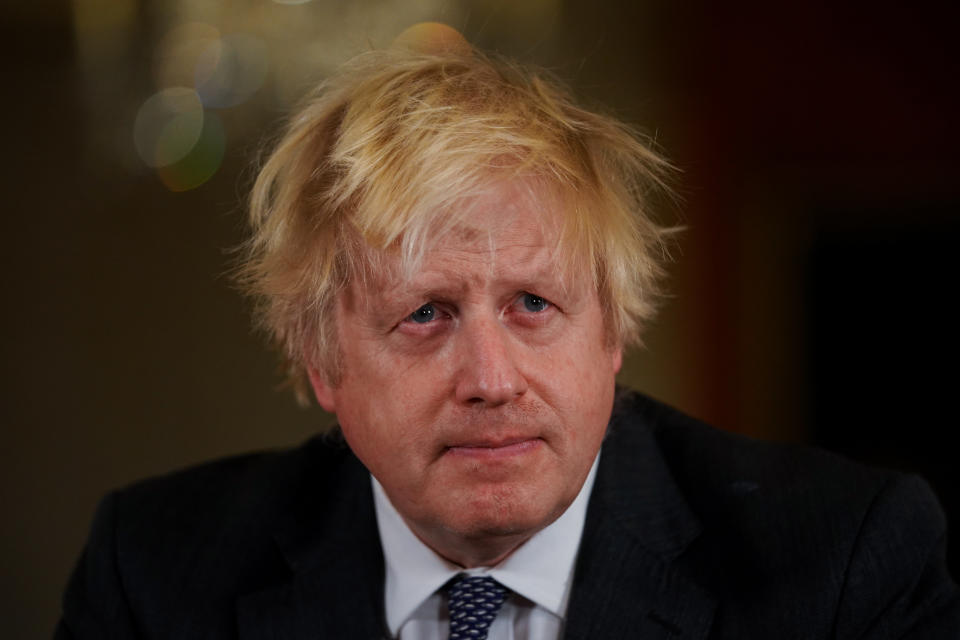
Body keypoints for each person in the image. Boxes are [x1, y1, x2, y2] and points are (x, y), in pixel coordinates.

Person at [57, 24, 959, 639]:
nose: (491, 378)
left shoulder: (844, 569)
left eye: (533, 304)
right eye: (424, 314)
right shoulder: (155, 576)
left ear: (612, 332)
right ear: (320, 359)